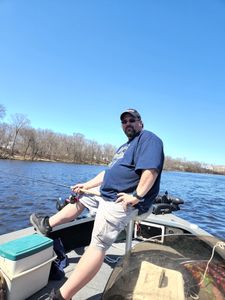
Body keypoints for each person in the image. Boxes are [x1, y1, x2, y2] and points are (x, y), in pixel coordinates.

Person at [30, 108, 164, 300]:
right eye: (124, 121)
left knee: (98, 245)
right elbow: (106, 175)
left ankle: (61, 297)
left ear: (140, 122)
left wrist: (136, 196)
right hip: (107, 193)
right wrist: (85, 186)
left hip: (122, 201)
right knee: (82, 197)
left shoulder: (148, 139)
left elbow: (151, 171)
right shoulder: (124, 148)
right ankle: (47, 225)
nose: (128, 123)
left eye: (131, 120)